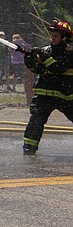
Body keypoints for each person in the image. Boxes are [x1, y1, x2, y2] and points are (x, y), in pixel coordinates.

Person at [22, 18, 73, 156]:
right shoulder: (45, 50)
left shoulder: (70, 53)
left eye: (57, 35)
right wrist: (31, 62)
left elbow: (58, 68)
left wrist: (45, 58)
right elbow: (40, 70)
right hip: (45, 95)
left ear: (65, 37)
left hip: (66, 96)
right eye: (52, 34)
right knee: (36, 121)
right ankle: (29, 149)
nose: (53, 37)